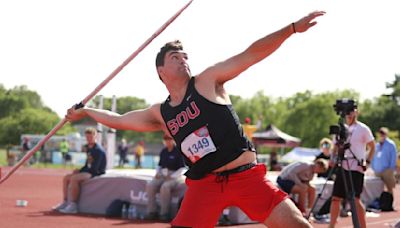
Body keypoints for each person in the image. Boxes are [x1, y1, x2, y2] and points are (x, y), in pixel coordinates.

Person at [66, 11, 325, 227]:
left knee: (298, 226)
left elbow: (250, 55)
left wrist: (290, 29)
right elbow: (120, 119)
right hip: (205, 185)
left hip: (247, 177)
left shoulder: (207, 81)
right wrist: (86, 112)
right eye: (175, 58)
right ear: (161, 71)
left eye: (185, 57)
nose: (183, 61)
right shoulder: (161, 112)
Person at [329, 105, 375, 228]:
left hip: (356, 168)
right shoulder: (341, 128)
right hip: (342, 166)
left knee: (355, 199)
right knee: (335, 198)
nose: (349, 114)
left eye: (351, 111)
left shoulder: (363, 128)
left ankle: (362, 226)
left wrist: (368, 161)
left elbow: (372, 146)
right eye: (347, 111)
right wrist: (332, 158)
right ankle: (331, 226)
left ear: (356, 112)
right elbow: (335, 147)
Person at [53, 127, 107, 214]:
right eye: (87, 137)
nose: (88, 139)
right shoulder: (89, 148)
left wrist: (82, 172)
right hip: (89, 170)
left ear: (95, 136)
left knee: (74, 178)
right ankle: (65, 202)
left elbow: (95, 168)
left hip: (96, 173)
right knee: (66, 178)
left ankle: (73, 206)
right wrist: (79, 170)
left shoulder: (98, 150)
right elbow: (87, 164)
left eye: (90, 137)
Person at [145, 135, 186, 221]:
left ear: (173, 140)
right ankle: (152, 211)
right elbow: (159, 165)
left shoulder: (178, 151)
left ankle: (164, 213)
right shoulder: (163, 151)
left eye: (169, 139)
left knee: (165, 187)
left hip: (175, 176)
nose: (167, 141)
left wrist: (172, 176)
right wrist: (157, 173)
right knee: (150, 185)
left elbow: (182, 168)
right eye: (165, 139)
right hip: (163, 175)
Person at [371, 127, 397, 194]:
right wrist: (373, 167)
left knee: (389, 188)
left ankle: (390, 203)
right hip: (377, 170)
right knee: (378, 188)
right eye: (381, 133)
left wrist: (391, 168)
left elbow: (394, 157)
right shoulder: (377, 145)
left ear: (386, 134)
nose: (382, 135)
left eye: (383, 133)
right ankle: (380, 203)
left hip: (387, 170)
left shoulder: (391, 144)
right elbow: (373, 156)